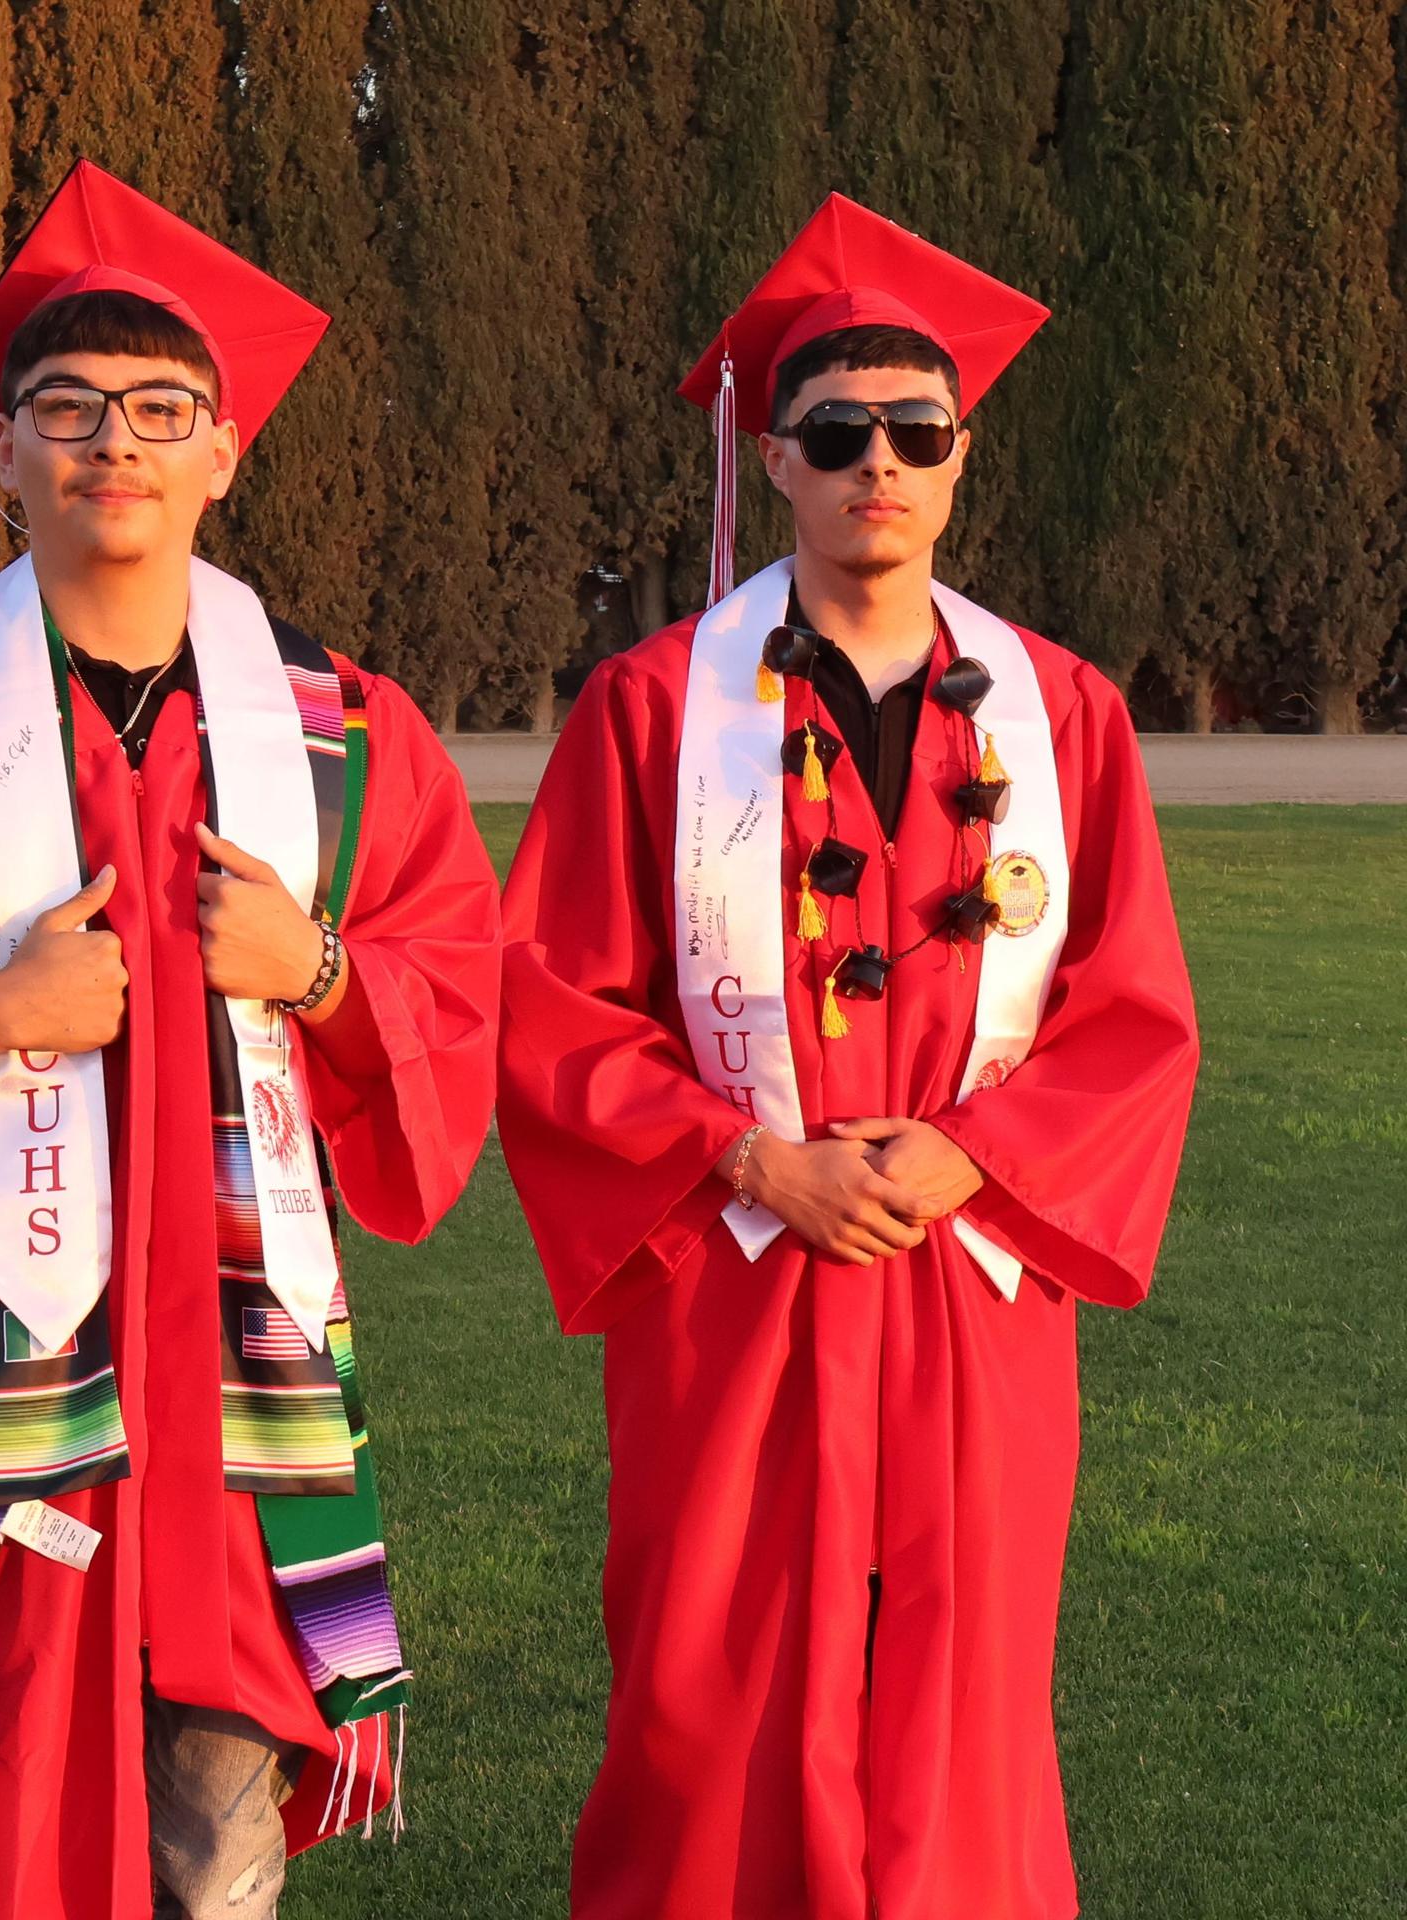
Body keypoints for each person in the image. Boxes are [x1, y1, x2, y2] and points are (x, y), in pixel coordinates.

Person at [0, 159, 500, 1920]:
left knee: (216, 1829)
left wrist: (321, 969)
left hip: (231, 1402)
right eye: (62, 409)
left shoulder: (345, 738)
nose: (109, 443)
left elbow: (457, 1010)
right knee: (3, 1809)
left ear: (223, 450)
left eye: (157, 410)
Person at [497, 194, 1199, 1920]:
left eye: (915, 432)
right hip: (737, 1276)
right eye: (836, 434)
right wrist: (753, 1156)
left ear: (961, 463)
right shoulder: (660, 709)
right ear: (782, 464)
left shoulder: (1067, 715)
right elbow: (552, 1004)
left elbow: (1135, 1010)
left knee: (963, 1690)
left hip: (968, 1283)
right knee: (708, 1679)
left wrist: (981, 1153)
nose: (877, 462)